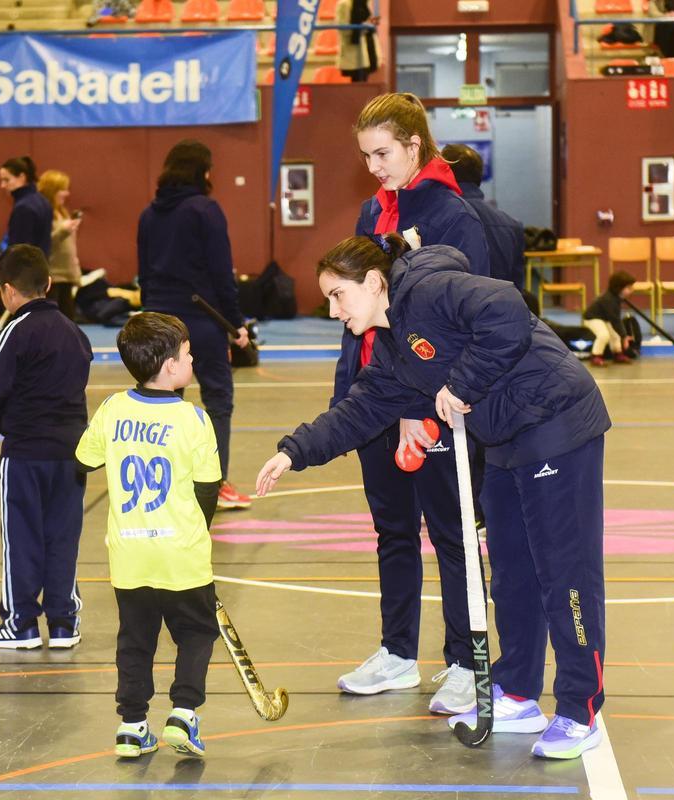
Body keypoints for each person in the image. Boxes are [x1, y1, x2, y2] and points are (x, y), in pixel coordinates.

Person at [257, 234, 611, 761]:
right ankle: (517, 694)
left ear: (373, 283)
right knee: (512, 575)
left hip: (557, 423)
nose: (333, 311)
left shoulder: (429, 289)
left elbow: (507, 311)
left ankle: (582, 710)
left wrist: (462, 383)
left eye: (337, 295)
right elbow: (357, 411)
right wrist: (294, 452)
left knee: (565, 574)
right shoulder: (394, 353)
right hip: (505, 440)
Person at [326, 92, 489, 712]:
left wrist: (422, 408)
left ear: (415, 145)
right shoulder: (374, 209)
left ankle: (464, 661)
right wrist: (352, 393)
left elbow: (469, 321)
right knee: (392, 530)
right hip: (375, 395)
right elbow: (358, 303)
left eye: (382, 154)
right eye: (365, 156)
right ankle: (397, 654)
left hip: (432, 401)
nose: (373, 167)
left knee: (451, 532)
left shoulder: (454, 216)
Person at [76, 312, 222, 759]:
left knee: (135, 640)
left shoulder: (113, 408)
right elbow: (208, 489)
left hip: (130, 554)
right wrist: (196, 536)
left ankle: (131, 725)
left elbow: (84, 459)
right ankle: (183, 713)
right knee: (196, 633)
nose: (193, 359)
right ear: (171, 365)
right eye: (188, 353)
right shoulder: (194, 419)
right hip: (181, 553)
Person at [0, 244, 92, 649]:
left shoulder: (16, 330)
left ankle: (20, 623)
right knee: (63, 537)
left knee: (22, 537)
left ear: (8, 291)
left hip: (25, 453)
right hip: (72, 453)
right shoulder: (73, 331)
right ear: (48, 283)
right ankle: (63, 623)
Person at [137, 139, 252, 510]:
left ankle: (165, 483)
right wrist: (236, 324)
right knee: (218, 401)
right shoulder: (205, 209)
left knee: (164, 405)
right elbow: (221, 273)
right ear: (202, 172)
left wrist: (151, 316)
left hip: (160, 323)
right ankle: (213, 483)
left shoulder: (148, 215)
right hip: (201, 321)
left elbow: (143, 275)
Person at [0, 156, 53, 323]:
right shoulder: (43, 202)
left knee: (19, 325)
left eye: (6, 180)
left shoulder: (24, 207)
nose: (3, 185)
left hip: (24, 277)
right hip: (41, 268)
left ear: (22, 177)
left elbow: (19, 251)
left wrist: (8, 275)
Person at [441, 144, 525, 291]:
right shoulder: (512, 225)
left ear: (443, 175)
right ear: (479, 176)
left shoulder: (436, 219)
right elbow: (517, 289)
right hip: (501, 303)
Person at [37, 169, 83, 319]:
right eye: (63, 189)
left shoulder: (62, 212)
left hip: (66, 275)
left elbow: (70, 247)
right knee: (53, 318)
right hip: (53, 276)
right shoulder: (45, 213)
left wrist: (75, 271)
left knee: (68, 318)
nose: (67, 193)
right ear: (52, 190)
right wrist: (63, 231)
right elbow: (43, 244)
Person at [583, 271, 636, 367]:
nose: (631, 290)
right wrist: (624, 337)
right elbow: (615, 320)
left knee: (615, 335)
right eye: (628, 288)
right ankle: (596, 356)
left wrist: (622, 335)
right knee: (604, 335)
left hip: (604, 319)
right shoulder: (609, 299)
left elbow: (616, 319)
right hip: (592, 319)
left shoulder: (616, 297)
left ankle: (617, 353)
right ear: (619, 288)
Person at [335, 0, 377, 82]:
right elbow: (344, 30)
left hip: (368, 50)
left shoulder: (365, 2)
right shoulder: (344, 4)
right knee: (357, 81)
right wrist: (363, 28)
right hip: (354, 50)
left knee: (364, 80)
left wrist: (370, 23)